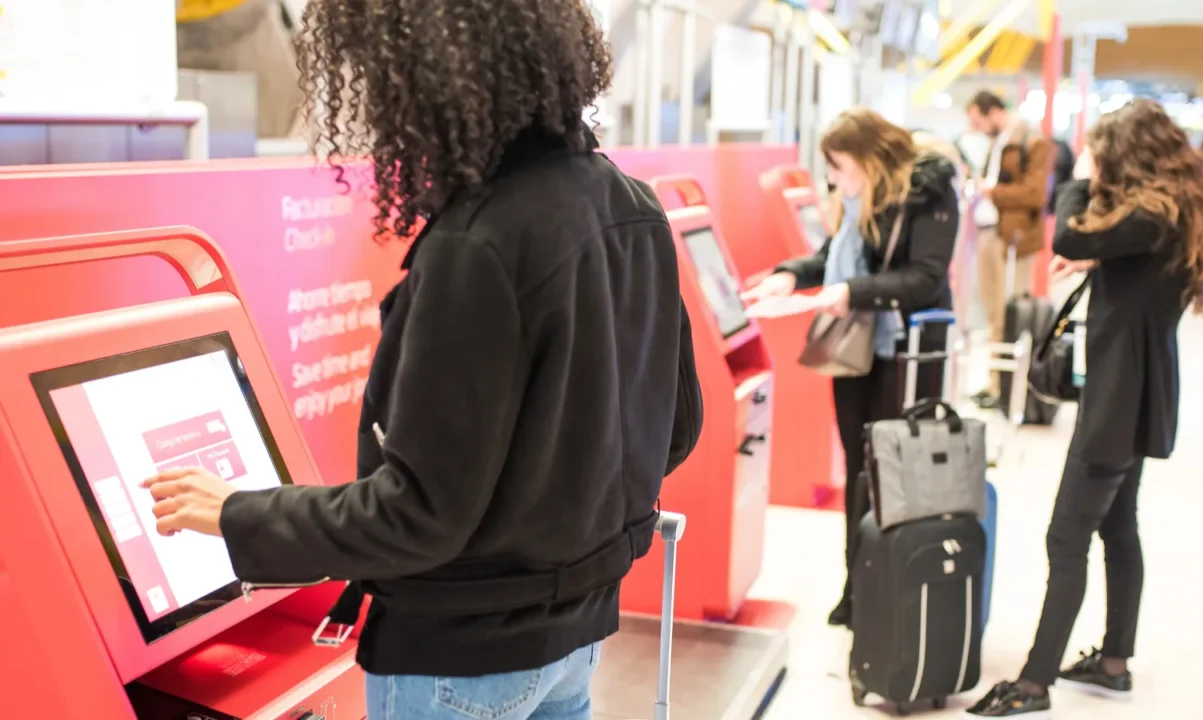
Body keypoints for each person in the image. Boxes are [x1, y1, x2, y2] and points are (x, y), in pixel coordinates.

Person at [141, 1, 704, 718]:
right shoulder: (633, 206)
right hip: (578, 641)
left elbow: (418, 515)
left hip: (460, 665)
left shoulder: (479, 245)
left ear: (422, 75)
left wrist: (239, 514)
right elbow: (673, 428)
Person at [967, 99, 1203, 717]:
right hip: (1139, 390)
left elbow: (1071, 229)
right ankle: (1113, 662)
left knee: (1067, 537)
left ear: (1125, 157)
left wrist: (1077, 177)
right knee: (1117, 527)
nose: (1096, 163)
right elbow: (1115, 259)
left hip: (1117, 397)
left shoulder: (1151, 214)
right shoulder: (1169, 211)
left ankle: (1032, 684)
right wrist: (1093, 260)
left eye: (1103, 153)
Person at [741, 109, 959, 627]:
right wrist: (790, 277)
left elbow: (925, 278)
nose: (834, 178)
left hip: (905, 354)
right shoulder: (858, 199)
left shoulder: (929, 193)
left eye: (839, 165)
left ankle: (894, 586)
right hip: (859, 353)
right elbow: (832, 255)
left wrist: (851, 292)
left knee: (894, 473)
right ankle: (857, 584)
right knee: (859, 470)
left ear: (869, 157)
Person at [965, 90, 1053, 409]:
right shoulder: (999, 142)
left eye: (977, 120)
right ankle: (995, 385)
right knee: (993, 315)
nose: (976, 127)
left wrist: (994, 191)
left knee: (1010, 316)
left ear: (993, 112)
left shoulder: (1032, 142)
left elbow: (1035, 194)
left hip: (1014, 240)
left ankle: (1008, 390)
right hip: (991, 234)